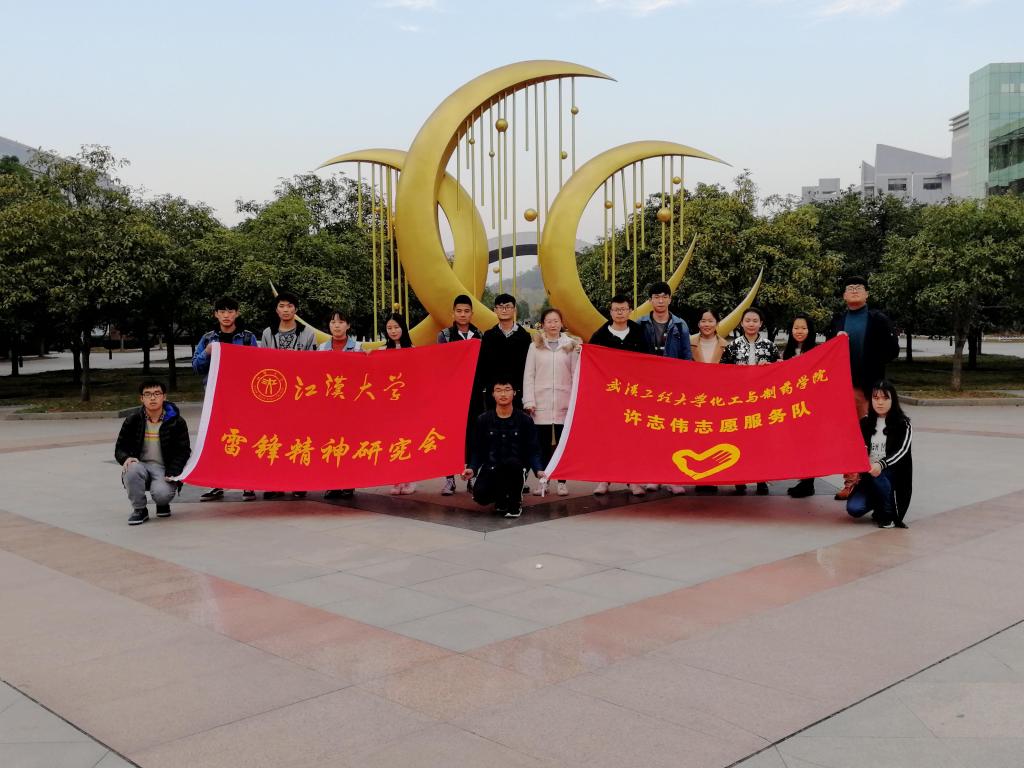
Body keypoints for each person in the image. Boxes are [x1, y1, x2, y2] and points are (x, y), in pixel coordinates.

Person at [825, 276, 901, 501]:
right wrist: (835, 340)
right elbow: (827, 352)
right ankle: (851, 482)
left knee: (872, 435)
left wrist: (874, 352)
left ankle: (873, 483)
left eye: (859, 288)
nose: (854, 291)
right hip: (844, 387)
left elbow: (892, 351)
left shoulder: (878, 319)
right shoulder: (838, 320)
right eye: (850, 288)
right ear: (844, 295)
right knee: (848, 436)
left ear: (867, 294)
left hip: (869, 388)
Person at [191, 296, 259, 501]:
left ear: (237, 313)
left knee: (245, 439)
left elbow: (257, 366)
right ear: (216, 314)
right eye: (222, 312)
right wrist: (207, 353)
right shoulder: (208, 338)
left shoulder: (247, 338)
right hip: (216, 399)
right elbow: (196, 367)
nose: (226, 315)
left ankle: (248, 483)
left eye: (230, 311)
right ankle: (217, 483)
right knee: (216, 441)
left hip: (242, 399)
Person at [589, 294, 654, 496]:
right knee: (607, 438)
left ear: (630, 311)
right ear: (610, 312)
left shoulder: (639, 333)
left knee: (632, 439)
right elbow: (591, 362)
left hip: (633, 395)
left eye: (623, 309)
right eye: (616, 310)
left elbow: (649, 362)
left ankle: (633, 480)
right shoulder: (600, 335)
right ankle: (604, 479)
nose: (620, 313)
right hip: (608, 396)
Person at [260, 291, 317, 499]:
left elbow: (313, 364)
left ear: (296, 309)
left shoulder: (307, 333)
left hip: (298, 395)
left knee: (298, 439)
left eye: (290, 306)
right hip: (275, 395)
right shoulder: (268, 333)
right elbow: (262, 363)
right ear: (276, 310)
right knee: (275, 439)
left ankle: (298, 482)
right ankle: (274, 483)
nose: (286, 310)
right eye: (282, 306)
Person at [638, 281, 692, 495]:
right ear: (650, 300)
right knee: (651, 432)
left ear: (670, 299)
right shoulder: (641, 323)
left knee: (673, 433)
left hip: (673, 388)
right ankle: (653, 475)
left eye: (664, 297)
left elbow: (686, 356)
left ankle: (672, 477)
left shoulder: (680, 325)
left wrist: (685, 384)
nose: (660, 301)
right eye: (656, 297)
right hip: (649, 388)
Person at [463, 379, 545, 519]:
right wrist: (472, 468)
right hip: (492, 467)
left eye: (507, 389)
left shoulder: (525, 420)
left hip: (516, 469)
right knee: (480, 495)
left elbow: (533, 449)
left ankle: (515, 503)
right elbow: (477, 449)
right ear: (493, 394)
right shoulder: (483, 420)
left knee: (512, 463)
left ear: (514, 393)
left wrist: (538, 470)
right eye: (498, 390)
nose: (503, 394)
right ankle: (501, 498)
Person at [114, 380, 191, 526]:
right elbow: (120, 447)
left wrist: (173, 471)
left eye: (157, 393)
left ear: (164, 397)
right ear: (141, 398)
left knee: (162, 495)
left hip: (164, 468)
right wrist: (125, 458)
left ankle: (162, 504)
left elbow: (183, 450)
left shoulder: (177, 422)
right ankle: (139, 509)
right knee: (131, 469)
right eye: (148, 394)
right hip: (140, 465)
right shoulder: (133, 420)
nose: (153, 398)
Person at [721, 307, 778, 495]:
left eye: (755, 321)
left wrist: (770, 367)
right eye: (748, 320)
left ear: (761, 323)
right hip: (739, 402)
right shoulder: (733, 346)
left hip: (762, 402)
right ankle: (740, 479)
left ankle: (761, 479)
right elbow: (722, 372)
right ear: (741, 323)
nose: (751, 324)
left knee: (761, 442)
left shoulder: (770, 346)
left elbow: (780, 371)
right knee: (739, 441)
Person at [522, 308, 578, 497]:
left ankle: (562, 482)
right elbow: (529, 375)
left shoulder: (571, 346)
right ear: (543, 324)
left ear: (562, 323)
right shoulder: (535, 346)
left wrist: (574, 401)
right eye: (549, 321)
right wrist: (529, 400)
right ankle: (543, 481)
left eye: (556, 321)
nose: (553, 325)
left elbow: (575, 374)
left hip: (564, 401)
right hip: (540, 403)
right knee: (541, 445)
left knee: (562, 445)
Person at [846, 380, 912, 529]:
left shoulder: (903, 424)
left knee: (879, 475)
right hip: (868, 475)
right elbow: (854, 447)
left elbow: (902, 450)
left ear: (893, 400)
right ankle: (879, 503)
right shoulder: (865, 423)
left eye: (885, 398)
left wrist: (881, 464)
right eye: (876, 398)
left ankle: (887, 514)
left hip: (891, 474)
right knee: (854, 509)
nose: (880, 402)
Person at [437, 294, 482, 496]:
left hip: (474, 394)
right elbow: (440, 362)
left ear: (472, 314)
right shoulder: (445, 335)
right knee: (450, 435)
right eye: (459, 311)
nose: (463, 314)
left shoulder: (479, 335)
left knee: (473, 435)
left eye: (466, 311)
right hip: (452, 394)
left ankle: (472, 477)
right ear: (453, 313)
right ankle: (449, 479)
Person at [320, 310, 361, 500]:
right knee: (330, 444)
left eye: (341, 322)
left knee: (348, 444)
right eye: (333, 322)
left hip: (350, 406)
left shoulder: (358, 348)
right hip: (328, 406)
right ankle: (332, 483)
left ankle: (348, 483)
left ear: (348, 325)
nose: (336, 326)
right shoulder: (321, 349)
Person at [377, 313, 417, 496]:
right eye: (389, 328)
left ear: (403, 328)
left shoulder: (413, 350)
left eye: (396, 327)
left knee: (407, 441)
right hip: (389, 405)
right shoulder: (382, 351)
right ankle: (395, 479)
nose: (393, 331)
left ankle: (410, 479)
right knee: (391, 442)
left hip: (408, 404)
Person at [690, 308, 728, 494]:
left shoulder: (726, 345)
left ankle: (713, 478)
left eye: (710, 321)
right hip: (694, 399)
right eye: (703, 321)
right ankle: (699, 478)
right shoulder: (688, 342)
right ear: (698, 323)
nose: (707, 324)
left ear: (717, 323)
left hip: (717, 399)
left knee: (716, 439)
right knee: (697, 438)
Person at [783, 314, 818, 499]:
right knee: (798, 444)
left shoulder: (817, 352)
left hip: (810, 406)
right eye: (796, 327)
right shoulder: (788, 351)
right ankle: (803, 480)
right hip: (793, 406)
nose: (799, 331)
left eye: (804, 328)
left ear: (810, 331)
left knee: (810, 445)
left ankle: (808, 483)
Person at [478, 293, 532, 410]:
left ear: (514, 309)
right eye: (501, 307)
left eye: (508, 306)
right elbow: (483, 364)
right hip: (494, 393)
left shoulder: (524, 337)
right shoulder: (488, 336)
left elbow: (528, 366)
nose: (504, 310)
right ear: (495, 310)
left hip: (517, 392)